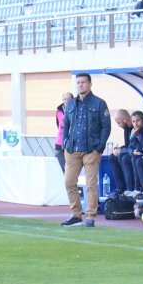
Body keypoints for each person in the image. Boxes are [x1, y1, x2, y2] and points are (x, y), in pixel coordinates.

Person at [60, 73, 111, 227]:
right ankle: (75, 215)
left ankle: (90, 216)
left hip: (91, 150)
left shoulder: (99, 103)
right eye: (78, 82)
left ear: (90, 84)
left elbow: (106, 127)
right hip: (72, 149)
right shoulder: (70, 104)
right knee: (69, 182)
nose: (80, 85)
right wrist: (65, 143)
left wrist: (99, 148)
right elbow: (66, 126)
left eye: (83, 82)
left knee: (91, 184)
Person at [107, 109, 133, 194]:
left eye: (118, 123)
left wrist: (121, 150)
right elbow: (128, 145)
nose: (118, 125)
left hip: (136, 152)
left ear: (124, 120)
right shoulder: (126, 129)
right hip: (130, 151)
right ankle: (120, 187)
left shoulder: (135, 127)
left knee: (124, 157)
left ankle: (130, 188)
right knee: (112, 157)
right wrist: (119, 149)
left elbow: (135, 146)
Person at [53, 92, 72, 172]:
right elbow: (59, 124)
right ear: (62, 100)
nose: (66, 101)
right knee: (58, 164)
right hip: (60, 141)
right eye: (65, 99)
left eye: (68, 99)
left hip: (71, 142)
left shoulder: (75, 110)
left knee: (70, 166)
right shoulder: (59, 111)